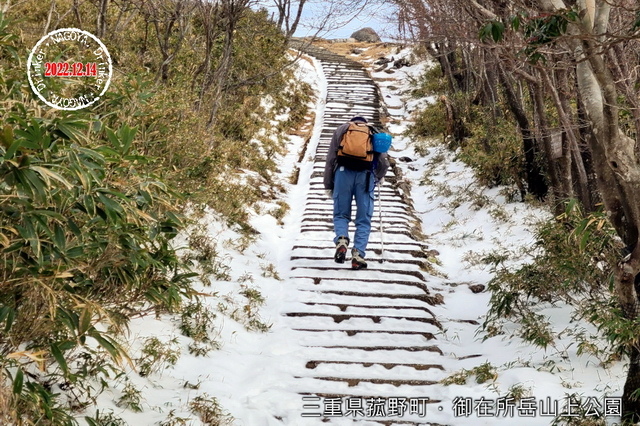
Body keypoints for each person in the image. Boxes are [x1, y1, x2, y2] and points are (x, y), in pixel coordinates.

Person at [323, 116, 389, 270]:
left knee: (340, 214)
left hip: (342, 174)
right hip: (365, 177)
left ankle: (341, 240)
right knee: (364, 218)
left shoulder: (342, 130)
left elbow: (331, 158)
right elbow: (383, 161)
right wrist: (378, 177)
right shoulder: (373, 132)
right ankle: (358, 255)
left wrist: (328, 183)